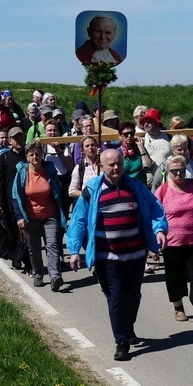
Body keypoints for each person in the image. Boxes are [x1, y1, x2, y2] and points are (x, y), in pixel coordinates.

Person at [67, 149, 168, 361]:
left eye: (119, 164)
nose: (116, 168)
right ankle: (121, 341)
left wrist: (159, 230)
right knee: (115, 298)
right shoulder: (93, 190)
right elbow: (78, 220)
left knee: (133, 296)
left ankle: (127, 327)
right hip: (107, 257)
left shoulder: (135, 187)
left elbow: (155, 208)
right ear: (101, 167)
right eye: (111, 164)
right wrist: (75, 250)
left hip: (135, 254)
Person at [155, 155, 193, 328]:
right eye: (174, 171)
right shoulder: (163, 191)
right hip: (172, 242)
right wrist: (155, 238)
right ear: (168, 172)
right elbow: (155, 216)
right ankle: (178, 307)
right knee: (175, 276)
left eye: (182, 170)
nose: (179, 174)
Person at [12, 140, 66, 291]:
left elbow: (57, 188)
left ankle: (55, 276)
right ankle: (37, 274)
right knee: (34, 248)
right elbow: (15, 196)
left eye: (38, 153)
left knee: (52, 246)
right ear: (27, 157)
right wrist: (19, 217)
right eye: (32, 154)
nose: (35, 156)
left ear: (42, 155)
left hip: (50, 216)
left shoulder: (49, 170)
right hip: (30, 217)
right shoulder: (22, 173)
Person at [0, 127, 32, 272]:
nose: (19, 141)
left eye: (21, 138)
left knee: (26, 231)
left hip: (27, 200)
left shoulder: (29, 156)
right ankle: (17, 258)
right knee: (14, 232)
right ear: (10, 141)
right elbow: (0, 183)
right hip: (10, 201)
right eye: (15, 139)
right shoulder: (5, 158)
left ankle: (25, 261)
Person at [140, 108, 171, 187]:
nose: (146, 124)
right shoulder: (141, 140)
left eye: (149, 121)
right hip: (147, 185)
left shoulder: (169, 138)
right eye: (144, 122)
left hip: (166, 183)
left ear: (157, 123)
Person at [117, 121, 151, 185]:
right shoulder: (118, 152)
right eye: (126, 134)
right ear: (121, 135)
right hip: (126, 186)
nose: (129, 136)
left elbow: (148, 166)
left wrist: (142, 149)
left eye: (131, 133)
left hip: (140, 185)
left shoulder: (139, 149)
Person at [68, 136, 100, 200]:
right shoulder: (79, 168)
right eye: (87, 146)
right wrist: (87, 194)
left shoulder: (104, 165)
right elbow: (72, 191)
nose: (90, 148)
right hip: (87, 204)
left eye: (93, 145)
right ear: (83, 150)